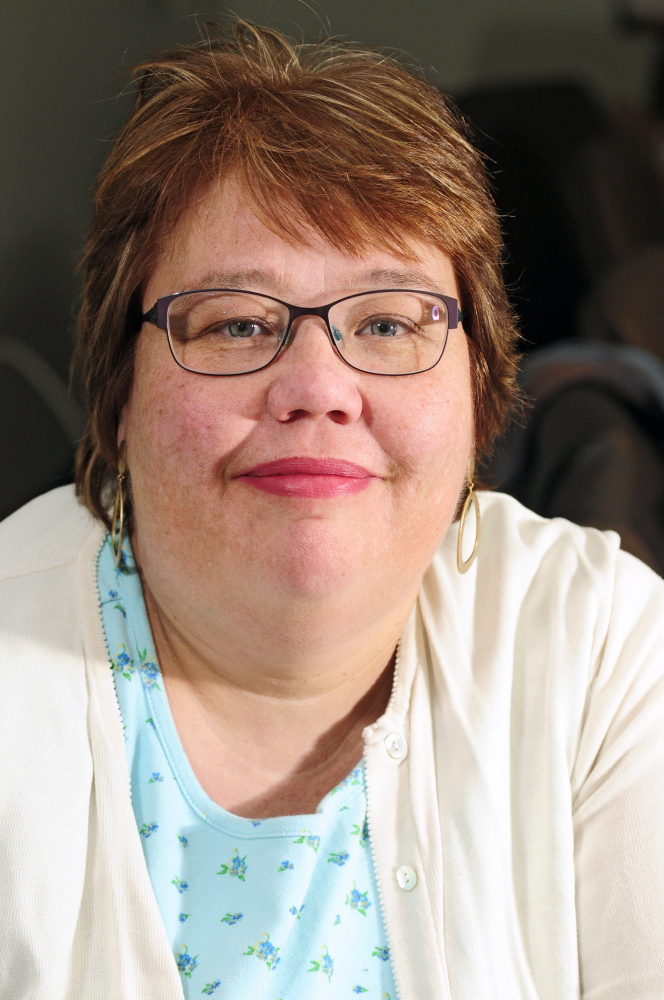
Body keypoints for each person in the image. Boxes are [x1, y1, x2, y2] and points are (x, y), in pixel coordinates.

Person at [1, 21, 663, 1000]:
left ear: (479, 391)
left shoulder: (604, 643)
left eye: (388, 322)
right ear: (118, 394)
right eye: (234, 322)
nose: (317, 386)